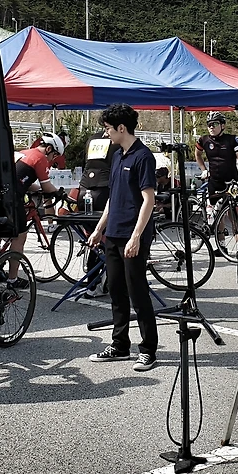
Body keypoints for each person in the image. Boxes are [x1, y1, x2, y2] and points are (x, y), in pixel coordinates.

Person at [87, 103, 159, 372]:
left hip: (132, 235)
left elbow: (148, 200)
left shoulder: (143, 156)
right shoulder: (117, 155)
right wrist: (99, 229)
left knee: (137, 292)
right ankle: (120, 345)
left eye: (108, 128)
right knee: (116, 292)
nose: (106, 133)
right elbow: (112, 197)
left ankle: (148, 350)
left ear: (121, 127)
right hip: (113, 234)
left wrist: (136, 236)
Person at [10, 133, 63, 263]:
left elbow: (22, 180)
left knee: (3, 233)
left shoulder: (24, 152)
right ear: (49, 149)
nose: (53, 159)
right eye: (55, 155)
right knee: (20, 237)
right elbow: (47, 187)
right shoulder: (40, 158)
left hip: (0, 194)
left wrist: (38, 189)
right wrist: (59, 193)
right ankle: (12, 275)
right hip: (13, 198)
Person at [196, 112, 238, 200]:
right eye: (209, 125)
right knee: (213, 207)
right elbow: (198, 155)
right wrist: (204, 170)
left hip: (231, 181)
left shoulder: (232, 140)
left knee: (233, 206)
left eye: (215, 124)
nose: (211, 127)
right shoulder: (203, 140)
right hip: (214, 181)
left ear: (223, 126)